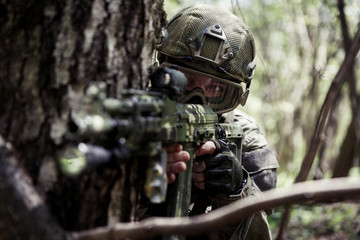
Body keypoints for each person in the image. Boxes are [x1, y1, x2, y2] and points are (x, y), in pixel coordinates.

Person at [154, 4, 279, 239]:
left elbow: (259, 233)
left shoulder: (244, 135)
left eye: (215, 88)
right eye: (185, 80)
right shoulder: (141, 120)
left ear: (238, 96)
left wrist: (236, 189)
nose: (198, 101)